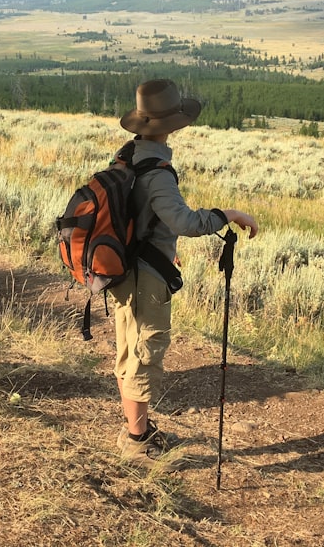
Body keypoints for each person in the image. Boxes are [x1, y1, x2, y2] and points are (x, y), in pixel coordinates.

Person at [110, 78, 258, 468]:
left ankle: (137, 430)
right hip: (146, 276)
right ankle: (137, 442)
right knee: (145, 354)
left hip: (127, 269)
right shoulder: (156, 170)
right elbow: (184, 221)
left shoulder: (128, 154)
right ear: (171, 123)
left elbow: (144, 217)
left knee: (129, 350)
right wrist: (228, 215)